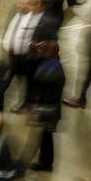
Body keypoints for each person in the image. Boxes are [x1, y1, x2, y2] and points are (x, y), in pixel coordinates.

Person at [1, 0, 61, 113]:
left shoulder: (45, 21)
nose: (26, 6)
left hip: (29, 58)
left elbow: (51, 42)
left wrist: (36, 52)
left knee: (29, 82)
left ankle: (27, 104)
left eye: (32, 4)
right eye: (25, 3)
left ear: (41, 6)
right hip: (13, 55)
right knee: (8, 77)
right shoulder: (21, 13)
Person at [22, 40, 65, 172]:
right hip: (47, 108)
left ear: (50, 52)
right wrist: (33, 52)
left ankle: (44, 163)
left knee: (43, 137)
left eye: (43, 49)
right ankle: (45, 163)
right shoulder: (48, 63)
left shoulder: (53, 69)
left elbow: (36, 83)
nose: (40, 51)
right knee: (45, 137)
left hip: (48, 110)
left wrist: (35, 107)